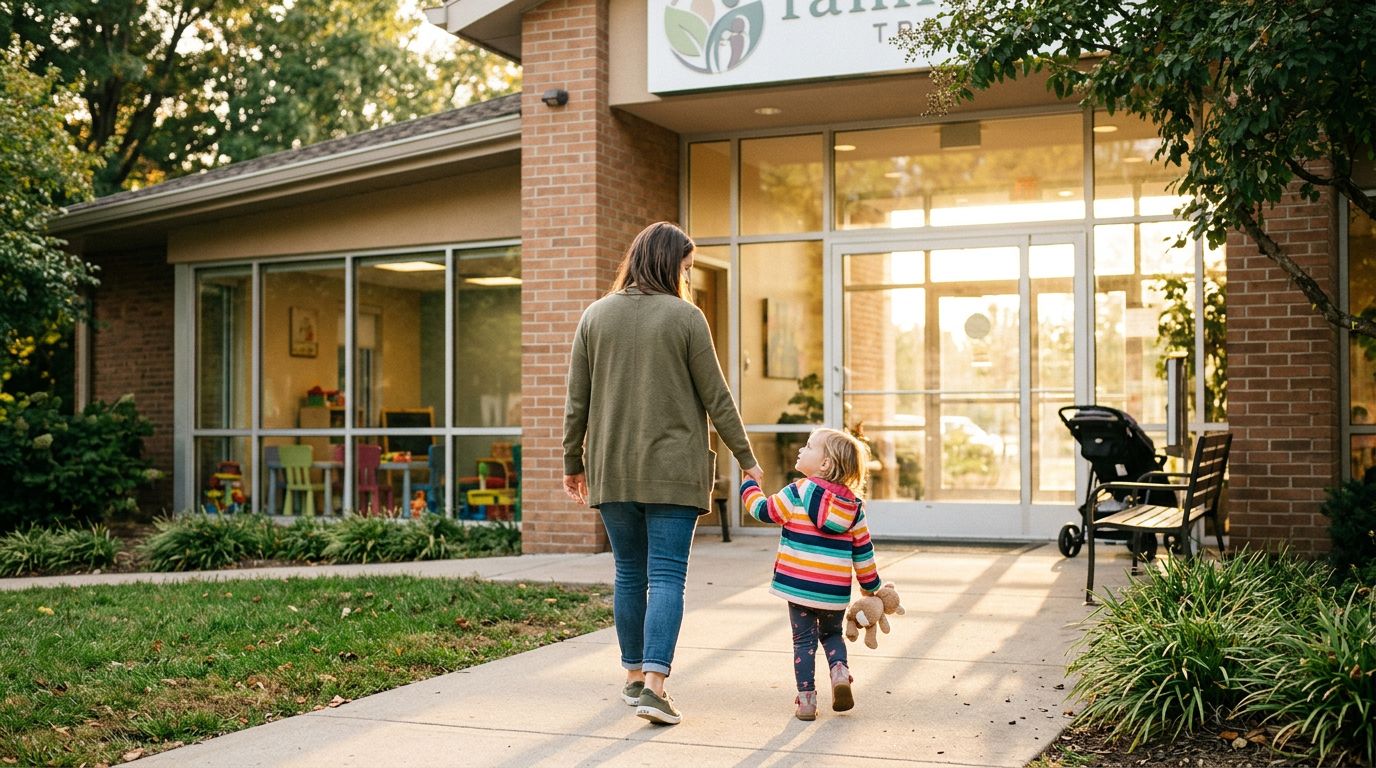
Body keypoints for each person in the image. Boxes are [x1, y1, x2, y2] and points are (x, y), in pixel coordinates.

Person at [563, 221, 763, 726]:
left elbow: (576, 404)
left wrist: (572, 462)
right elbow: (718, 398)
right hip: (673, 469)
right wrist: (747, 459)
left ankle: (632, 678)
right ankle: (654, 684)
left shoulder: (594, 317)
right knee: (667, 575)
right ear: (667, 262)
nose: (688, 277)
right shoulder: (685, 318)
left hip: (611, 469)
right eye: (687, 267)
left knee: (629, 572)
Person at [740, 427, 887, 721]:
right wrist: (871, 589)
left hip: (798, 588)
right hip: (832, 593)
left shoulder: (796, 492)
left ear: (825, 464)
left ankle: (807, 700)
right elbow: (863, 553)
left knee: (803, 642)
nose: (800, 450)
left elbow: (763, 511)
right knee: (831, 634)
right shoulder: (854, 508)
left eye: (808, 446)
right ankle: (840, 673)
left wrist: (748, 487)